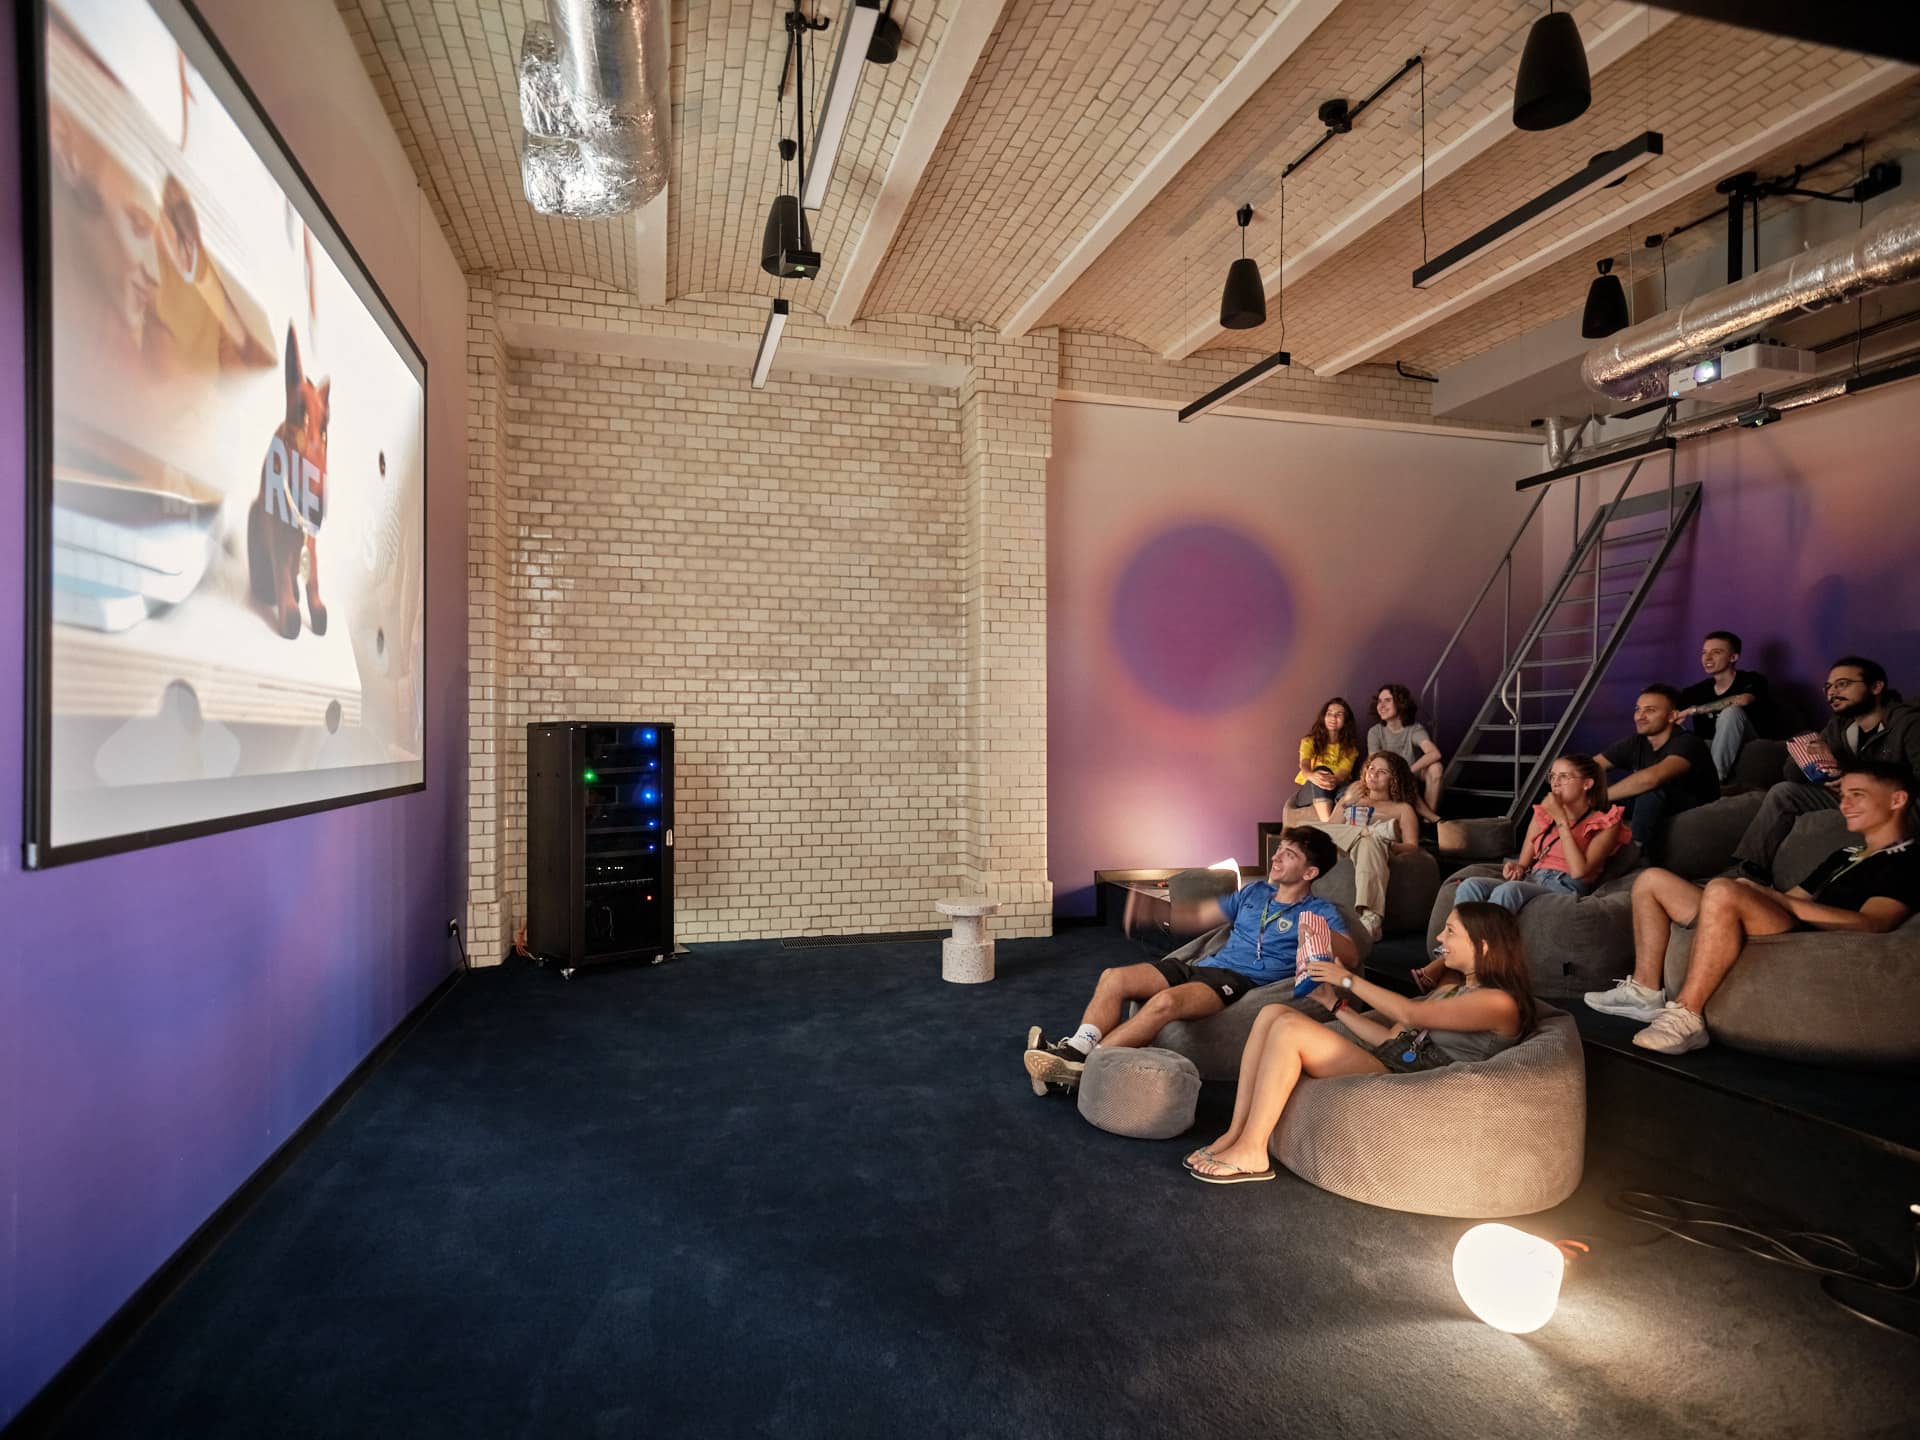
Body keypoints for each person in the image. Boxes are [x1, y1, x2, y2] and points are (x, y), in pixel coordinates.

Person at [1184, 903, 1535, 1184]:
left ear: (1483, 945)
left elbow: (1409, 1014)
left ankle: (1253, 1149)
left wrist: (1348, 980)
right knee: (1273, 1012)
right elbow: (1392, 1038)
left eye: (1451, 931)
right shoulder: (1456, 988)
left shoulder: (1499, 1002)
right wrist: (1333, 1003)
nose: (1440, 939)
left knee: (1289, 1029)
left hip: (1422, 1085)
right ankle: (1236, 1133)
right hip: (1400, 1064)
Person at [1586, 760, 1918, 1054]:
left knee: (1722, 889)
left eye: (1857, 794)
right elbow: (1797, 899)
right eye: (1843, 795)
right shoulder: (1845, 853)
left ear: (1897, 799)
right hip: (1787, 919)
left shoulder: (1909, 859)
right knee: (1652, 880)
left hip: (1816, 936)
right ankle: (1644, 992)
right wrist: (1761, 896)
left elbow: (1873, 924)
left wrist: (1771, 898)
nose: (1845, 804)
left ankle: (1686, 1016)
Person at [1023, 829, 1354, 1093]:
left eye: (1289, 854)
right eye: (1280, 848)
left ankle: (1088, 1068)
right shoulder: (1253, 894)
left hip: (1237, 979)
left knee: (1165, 1002)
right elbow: (1198, 916)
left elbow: (1352, 954)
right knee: (1114, 977)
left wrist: (1318, 930)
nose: (1277, 856)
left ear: (1310, 872)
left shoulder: (1321, 911)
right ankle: (1075, 1052)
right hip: (1202, 965)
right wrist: (1154, 911)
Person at [1411, 754, 1627, 989]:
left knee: (1509, 891)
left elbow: (1579, 871)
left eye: (1564, 777)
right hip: (1534, 878)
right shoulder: (1543, 816)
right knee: (1470, 884)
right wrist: (1515, 867)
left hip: (1564, 884)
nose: (1555, 783)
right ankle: (1454, 956)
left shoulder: (1605, 821)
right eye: (1552, 776)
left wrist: (1562, 822)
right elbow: (1524, 863)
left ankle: (1458, 964)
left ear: (1587, 783)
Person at [1732, 656, 1920, 883]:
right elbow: (1792, 774)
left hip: (1894, 802)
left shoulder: (1908, 724)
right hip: (1850, 795)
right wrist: (1819, 756)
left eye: (1843, 684)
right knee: (1784, 792)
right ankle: (1751, 872)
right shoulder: (1839, 725)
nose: (1832, 693)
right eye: (1828, 687)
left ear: (1876, 687)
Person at [1311, 751, 1424, 942]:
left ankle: (1371, 919)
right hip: (1341, 851)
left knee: (1369, 842)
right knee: (1307, 829)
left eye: (1382, 772)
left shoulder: (1402, 809)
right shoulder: (1351, 800)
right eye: (1371, 769)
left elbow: (1413, 846)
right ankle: (1370, 832)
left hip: (1373, 852)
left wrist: (1390, 845)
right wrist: (1345, 802)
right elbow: (1327, 833)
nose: (1373, 774)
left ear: (1394, 779)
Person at [1598, 684, 1717, 861]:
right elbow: (1590, 767)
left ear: (1672, 716)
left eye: (1650, 710)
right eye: (1638, 710)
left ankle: (1637, 852)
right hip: (1652, 803)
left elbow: (1651, 779)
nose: (1640, 716)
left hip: (1691, 805)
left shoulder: (1688, 743)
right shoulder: (1636, 742)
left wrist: (1600, 796)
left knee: (1650, 792)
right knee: (1571, 788)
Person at [1675, 631, 1771, 783]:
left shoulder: (1752, 679)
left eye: (1716, 652)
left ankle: (1714, 781)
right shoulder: (1695, 691)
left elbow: (1743, 700)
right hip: (1710, 744)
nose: (1707, 658)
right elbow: (1672, 714)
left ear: (1733, 657)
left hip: (1748, 740)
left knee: (1731, 712)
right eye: (1704, 652)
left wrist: (1695, 710)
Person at [1367, 682, 1444, 819]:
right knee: (1398, 780)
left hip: (1410, 772)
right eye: (1379, 701)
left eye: (1388, 700)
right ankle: (1433, 819)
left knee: (1436, 768)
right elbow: (1373, 763)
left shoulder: (1414, 729)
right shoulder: (1375, 732)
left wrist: (1408, 771)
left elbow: (1434, 753)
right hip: (1387, 775)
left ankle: (1428, 821)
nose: (1381, 705)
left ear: (1400, 703)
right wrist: (1397, 774)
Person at [1292, 697, 1360, 821]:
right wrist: (1312, 776)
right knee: (1321, 769)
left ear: (1346, 720)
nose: (1333, 718)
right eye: (1329, 714)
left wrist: (1331, 780)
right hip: (1309, 791)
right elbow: (1304, 765)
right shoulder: (1309, 741)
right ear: (1323, 717)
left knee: (1352, 789)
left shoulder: (1351, 750)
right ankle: (1328, 823)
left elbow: (1342, 775)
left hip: (1336, 787)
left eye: (1339, 714)